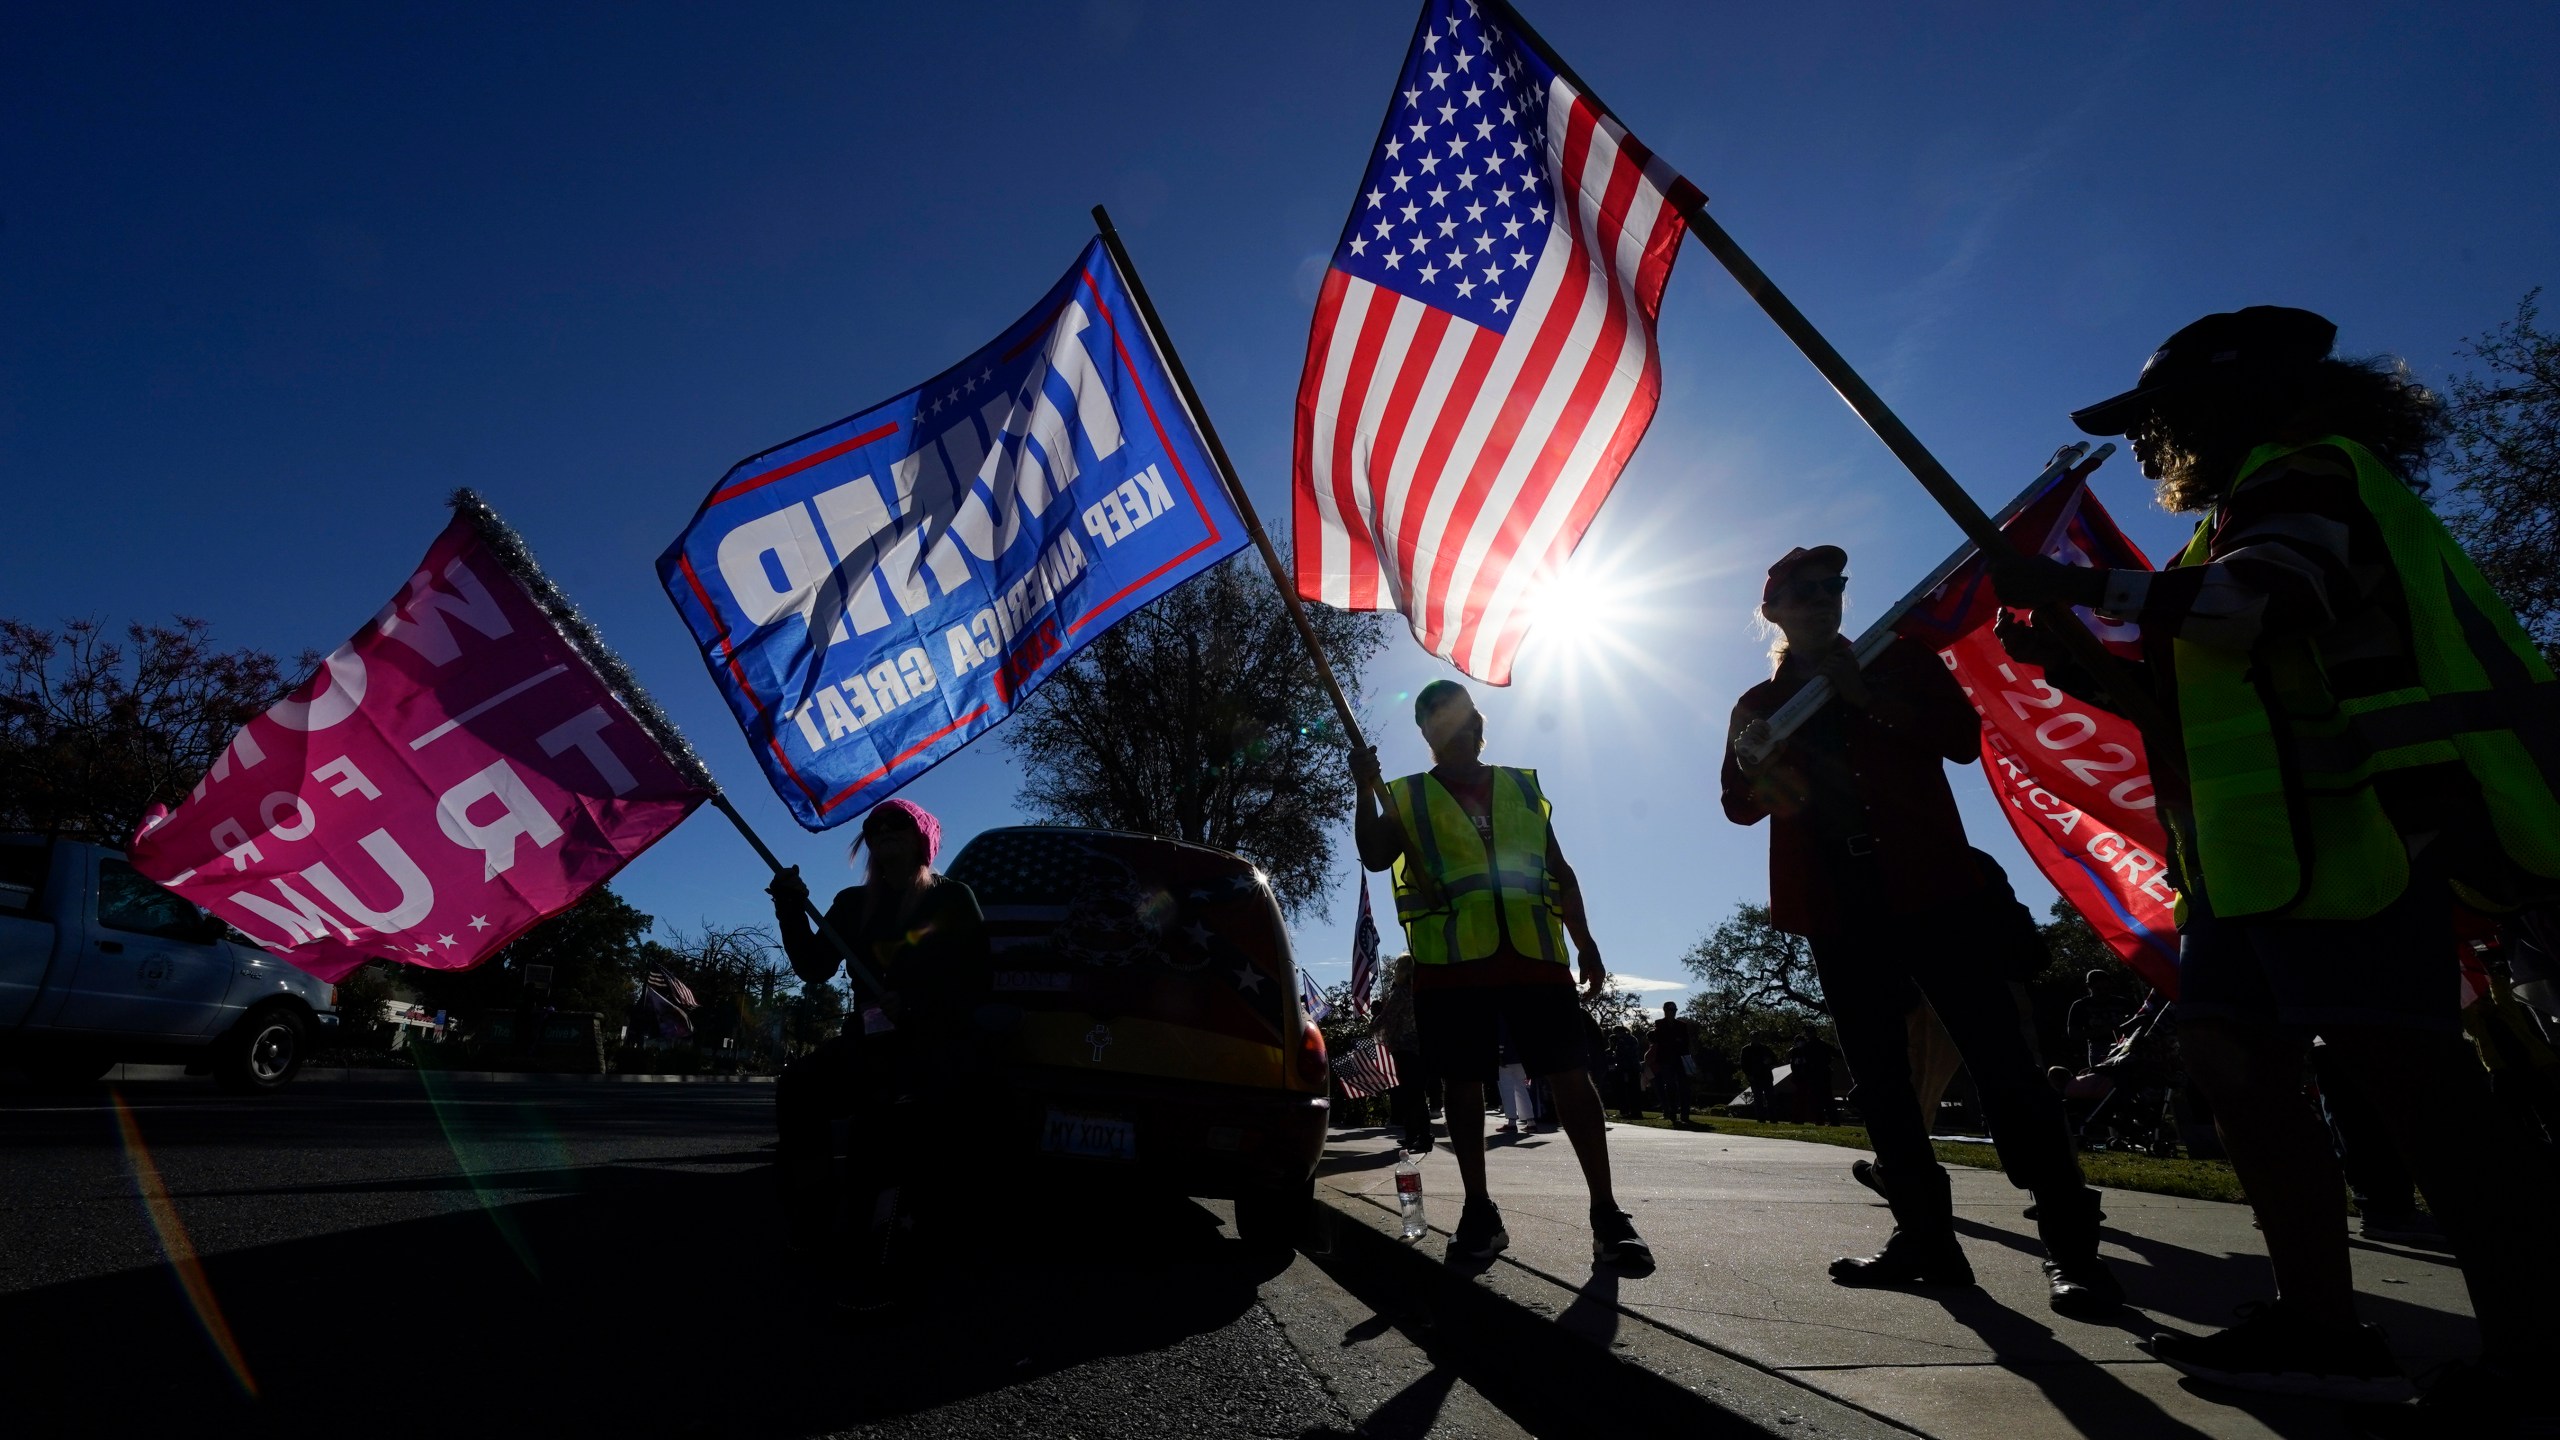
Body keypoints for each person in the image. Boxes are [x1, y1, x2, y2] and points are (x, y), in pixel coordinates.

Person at [1994, 305, 2560, 1419]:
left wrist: (2074, 590)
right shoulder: (2231, 520)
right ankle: (2320, 1327)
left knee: (2419, 1090)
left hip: (2356, 843)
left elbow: (2268, 601)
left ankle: (2533, 1351)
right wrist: (2075, 666)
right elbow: (2193, 702)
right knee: (2230, 1061)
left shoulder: (2306, 475)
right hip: (2254, 867)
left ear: (2233, 400)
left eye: (2163, 419)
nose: (2155, 443)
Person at [1724, 544, 2122, 1315]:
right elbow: (1742, 805)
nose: (1823, 598)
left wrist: (1864, 695)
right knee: (1880, 1080)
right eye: (1803, 592)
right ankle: (1928, 1244)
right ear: (1771, 611)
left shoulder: (1895, 659)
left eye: (1834, 586)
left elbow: (1961, 741)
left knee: (1999, 1060)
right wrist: (1754, 761)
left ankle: (2072, 1248)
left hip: (1933, 889)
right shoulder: (1759, 703)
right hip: (1839, 905)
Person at [1353, 680, 1652, 1269]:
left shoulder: (1519, 786)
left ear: (1476, 720)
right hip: (1452, 964)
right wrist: (1365, 789)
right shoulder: (1405, 797)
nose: (1447, 723)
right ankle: (1478, 1211)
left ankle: (1607, 1217)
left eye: (1455, 712)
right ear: (1426, 734)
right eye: (1433, 717)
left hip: (1535, 957)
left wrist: (1585, 942)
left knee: (1571, 1078)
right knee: (1462, 1087)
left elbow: (1560, 870)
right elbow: (1373, 854)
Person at [767, 799, 989, 1309]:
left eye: (898, 824)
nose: (883, 830)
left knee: (888, 1132)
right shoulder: (850, 904)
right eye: (875, 826)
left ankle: (890, 1255)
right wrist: (789, 907)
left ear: (922, 840)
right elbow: (813, 968)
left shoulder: (953, 899)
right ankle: (813, 1216)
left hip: (931, 1045)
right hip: (865, 1042)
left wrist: (916, 1003)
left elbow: (977, 981)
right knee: (800, 1086)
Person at [2066, 971, 2129, 1071]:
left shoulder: (2123, 1002)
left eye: (2106, 989)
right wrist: (2103, 1031)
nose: (2103, 992)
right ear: (2089, 986)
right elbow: (2073, 1033)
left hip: (2125, 1046)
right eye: (2098, 989)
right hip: (2098, 1050)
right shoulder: (2080, 1005)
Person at [1648, 1001, 1696, 1124]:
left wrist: (1674, 1042)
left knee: (1684, 1088)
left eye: (1674, 1010)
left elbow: (1685, 1042)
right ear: (1665, 1010)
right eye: (1670, 1009)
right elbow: (1660, 1041)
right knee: (1670, 1087)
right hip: (1666, 1060)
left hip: (1680, 1060)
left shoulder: (1681, 1025)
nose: (1672, 1012)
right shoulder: (1659, 1023)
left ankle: (1685, 1115)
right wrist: (1675, 1040)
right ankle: (1672, 1113)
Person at [1786, 1030, 1839, 1126]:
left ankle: (1819, 1120)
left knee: (1818, 1099)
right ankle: (1827, 1120)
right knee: (1824, 1099)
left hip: (1813, 1077)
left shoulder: (1809, 1047)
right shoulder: (1820, 1045)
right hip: (1816, 1076)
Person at [1738, 1040, 1778, 1122]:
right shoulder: (1746, 1049)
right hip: (1755, 1077)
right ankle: (1761, 1118)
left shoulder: (1765, 1048)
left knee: (1770, 1098)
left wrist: (1770, 1061)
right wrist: (1749, 1075)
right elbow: (1743, 1064)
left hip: (1766, 1076)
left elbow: (1774, 1059)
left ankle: (1773, 1118)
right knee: (1758, 1099)